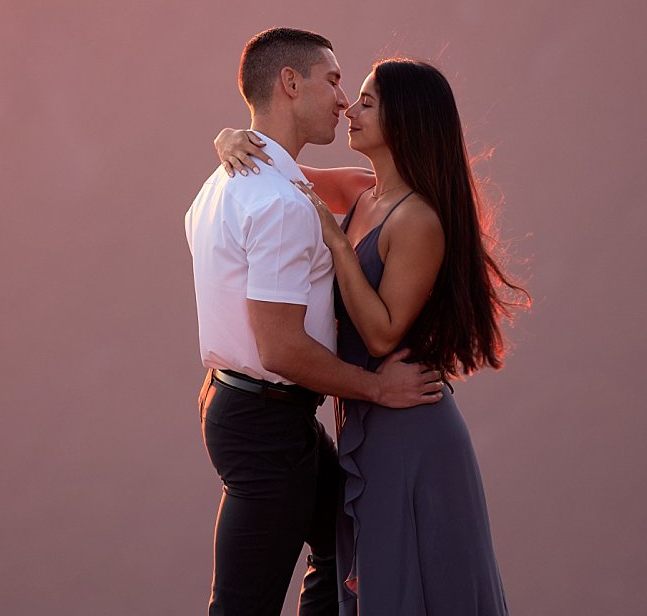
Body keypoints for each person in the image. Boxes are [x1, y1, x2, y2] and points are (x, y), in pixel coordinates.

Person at [216, 58, 527, 615]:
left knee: (409, 582)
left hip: (408, 421)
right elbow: (277, 170)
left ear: (405, 118)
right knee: (373, 581)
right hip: (366, 410)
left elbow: (382, 335)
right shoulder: (364, 193)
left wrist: (338, 246)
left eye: (366, 101)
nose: (348, 108)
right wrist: (230, 138)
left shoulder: (419, 220)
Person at [185, 30, 446, 616]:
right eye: (334, 81)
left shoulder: (232, 183)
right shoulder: (279, 202)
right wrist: (379, 387)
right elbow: (280, 349)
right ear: (290, 83)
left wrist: (234, 137)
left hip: (255, 410)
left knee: (340, 543)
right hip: (265, 418)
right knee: (243, 604)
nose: (344, 101)